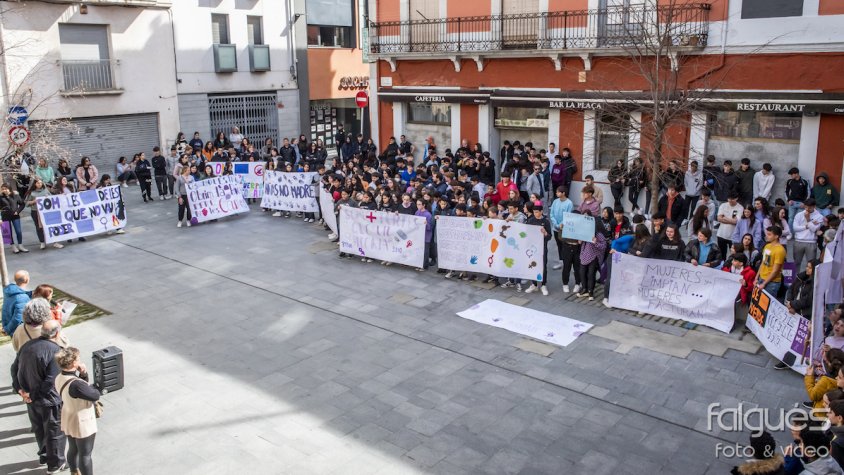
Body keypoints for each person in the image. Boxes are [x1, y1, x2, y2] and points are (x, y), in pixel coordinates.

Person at [11, 320, 68, 472]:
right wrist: (31, 394)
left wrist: (20, 391)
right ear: (57, 333)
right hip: (49, 401)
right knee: (54, 432)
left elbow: (14, 368)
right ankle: (55, 464)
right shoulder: (56, 351)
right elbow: (50, 381)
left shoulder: (26, 346)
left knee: (39, 429)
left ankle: (44, 455)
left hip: (30, 400)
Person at [55, 347, 101, 475]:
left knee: (73, 448)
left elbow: (80, 391)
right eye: (78, 359)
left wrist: (83, 374)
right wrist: (95, 386)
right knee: (85, 454)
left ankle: (74, 471)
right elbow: (94, 395)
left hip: (69, 416)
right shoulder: (76, 384)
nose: (80, 361)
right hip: (82, 421)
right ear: (73, 363)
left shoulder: (59, 377)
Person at [25, 178, 63, 250]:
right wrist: (33, 201)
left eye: (40, 182)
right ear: (34, 184)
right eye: (38, 183)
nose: (39, 184)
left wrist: (49, 197)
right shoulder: (31, 192)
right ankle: (42, 242)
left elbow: (53, 199)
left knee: (51, 226)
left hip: (46, 212)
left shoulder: (46, 190)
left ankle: (55, 242)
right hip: (35, 211)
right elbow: (26, 203)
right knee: (39, 227)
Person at [524, 202, 551, 296]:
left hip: (543, 247)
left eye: (537, 212)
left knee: (543, 265)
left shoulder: (546, 222)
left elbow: (550, 237)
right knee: (532, 264)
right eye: (534, 212)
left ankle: (543, 284)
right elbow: (526, 234)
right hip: (532, 248)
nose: (535, 214)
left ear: (541, 212)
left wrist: (545, 233)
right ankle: (534, 284)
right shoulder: (531, 221)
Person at [576, 219, 606, 300]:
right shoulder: (584, 232)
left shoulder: (599, 235)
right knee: (582, 272)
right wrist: (580, 241)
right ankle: (584, 288)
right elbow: (580, 242)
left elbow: (603, 246)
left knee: (591, 274)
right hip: (584, 255)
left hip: (594, 256)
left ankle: (590, 292)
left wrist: (595, 242)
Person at [793, 198, 824, 270]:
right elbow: (795, 228)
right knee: (796, 262)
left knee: (811, 264)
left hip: (811, 242)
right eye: (806, 206)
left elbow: (814, 229)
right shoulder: (799, 215)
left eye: (809, 207)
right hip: (798, 241)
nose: (807, 209)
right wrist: (807, 226)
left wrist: (808, 220)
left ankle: (809, 280)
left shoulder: (819, 216)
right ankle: (794, 280)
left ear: (814, 206)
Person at [757, 225, 787, 298]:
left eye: (769, 234)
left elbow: (775, 270)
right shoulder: (767, 246)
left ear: (776, 236)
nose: (767, 236)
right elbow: (763, 263)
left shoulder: (780, 250)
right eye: (767, 234)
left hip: (772, 282)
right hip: (762, 278)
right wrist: (756, 277)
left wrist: (764, 283)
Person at [550, 186, 574, 271]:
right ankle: (561, 261)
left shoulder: (569, 203)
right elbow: (551, 213)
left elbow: (568, 216)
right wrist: (556, 224)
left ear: (563, 193)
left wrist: (561, 224)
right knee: (559, 245)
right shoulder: (555, 201)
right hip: (555, 228)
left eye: (558, 192)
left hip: (564, 228)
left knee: (565, 245)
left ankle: (567, 263)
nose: (556, 193)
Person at [0, 183, 29, 253]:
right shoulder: (0, 197)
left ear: (9, 188)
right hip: (5, 216)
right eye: (3, 189)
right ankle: (13, 246)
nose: (5, 190)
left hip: (15, 216)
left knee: (18, 231)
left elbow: (22, 204)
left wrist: (18, 211)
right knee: (8, 232)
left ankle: (20, 245)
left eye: (6, 189)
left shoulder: (15, 195)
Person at [2, 269, 31, 336]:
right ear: (27, 280)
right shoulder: (22, 298)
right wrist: (7, 330)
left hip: (8, 323)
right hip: (18, 331)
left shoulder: (9, 291)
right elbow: (17, 318)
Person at [716, 192, 744, 260]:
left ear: (736, 198)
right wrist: (730, 220)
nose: (730, 201)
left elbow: (736, 221)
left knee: (733, 255)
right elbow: (719, 218)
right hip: (721, 234)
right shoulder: (723, 205)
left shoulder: (740, 208)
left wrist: (725, 218)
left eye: (732, 199)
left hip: (733, 236)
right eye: (729, 199)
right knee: (722, 254)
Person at [415, 199, 433, 271]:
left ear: (423, 205)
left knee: (425, 252)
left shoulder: (428, 214)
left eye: (419, 204)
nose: (418, 206)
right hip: (419, 235)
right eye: (417, 204)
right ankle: (419, 264)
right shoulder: (417, 212)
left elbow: (430, 227)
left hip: (426, 236)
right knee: (419, 250)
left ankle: (425, 266)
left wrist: (426, 224)